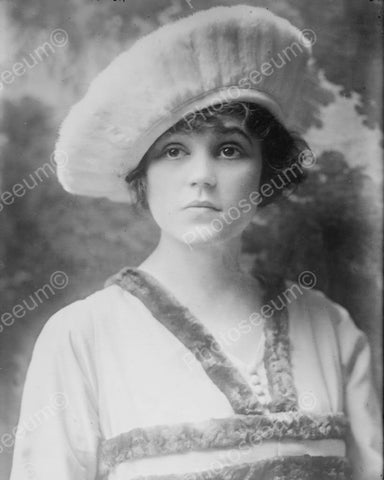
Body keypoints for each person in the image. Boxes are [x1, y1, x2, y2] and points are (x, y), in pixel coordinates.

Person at [10, 5, 382, 480]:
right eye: (174, 151)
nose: (201, 177)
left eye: (229, 149)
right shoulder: (82, 337)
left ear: (264, 171)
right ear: (141, 177)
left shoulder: (331, 327)